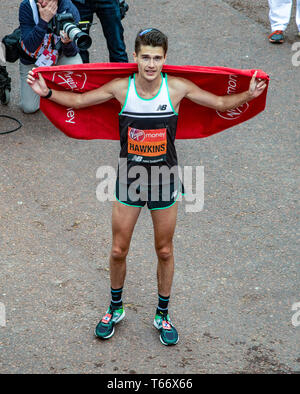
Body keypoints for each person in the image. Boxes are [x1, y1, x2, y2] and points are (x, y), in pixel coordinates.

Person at [27, 28, 266, 346]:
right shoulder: (121, 88)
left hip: (164, 182)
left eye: (157, 58)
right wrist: (47, 93)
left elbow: (220, 103)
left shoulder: (177, 88)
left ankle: (163, 315)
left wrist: (249, 96)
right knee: (117, 249)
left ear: (165, 59)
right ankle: (114, 308)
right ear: (135, 58)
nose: (151, 64)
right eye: (145, 57)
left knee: (165, 251)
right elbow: (81, 100)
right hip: (129, 180)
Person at [19, 0, 83, 114]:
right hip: (32, 61)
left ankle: (53, 89)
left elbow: (73, 52)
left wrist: (67, 43)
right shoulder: (27, 6)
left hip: (58, 56)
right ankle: (47, 85)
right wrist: (43, 21)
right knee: (29, 108)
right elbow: (30, 47)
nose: (42, 3)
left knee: (77, 66)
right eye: (39, 0)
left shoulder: (68, 8)